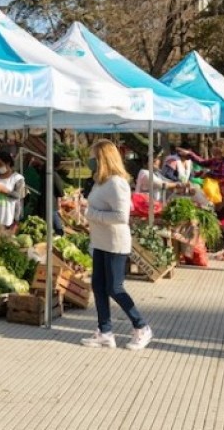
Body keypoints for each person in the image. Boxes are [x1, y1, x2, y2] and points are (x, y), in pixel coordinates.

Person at [80, 139, 153, 350]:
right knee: (99, 286)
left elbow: (121, 216)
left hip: (115, 242)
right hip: (100, 241)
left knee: (114, 287)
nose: (90, 160)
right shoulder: (100, 181)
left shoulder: (116, 183)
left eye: (93, 157)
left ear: (103, 158)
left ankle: (141, 326)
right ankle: (105, 331)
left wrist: (90, 213)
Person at [179, 139, 224, 260]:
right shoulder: (219, 159)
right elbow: (204, 162)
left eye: (217, 150)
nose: (214, 154)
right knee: (222, 223)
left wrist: (207, 174)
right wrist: (190, 155)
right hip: (218, 195)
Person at [0, 152, 26, 230]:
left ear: (8, 163)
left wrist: (3, 190)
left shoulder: (17, 178)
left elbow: (18, 196)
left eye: (0, 164)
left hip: (6, 219)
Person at [31, 155, 67, 236]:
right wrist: (62, 195)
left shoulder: (44, 171)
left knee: (46, 218)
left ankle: (49, 232)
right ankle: (59, 232)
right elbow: (59, 189)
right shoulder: (53, 174)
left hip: (43, 199)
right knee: (54, 216)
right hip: (51, 200)